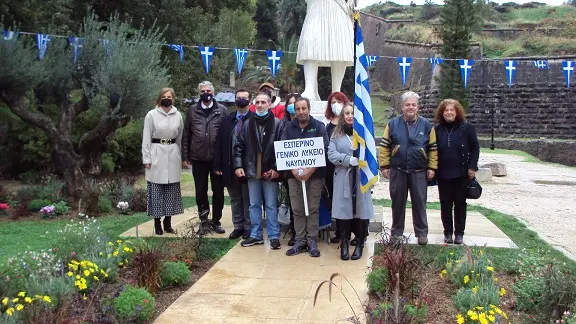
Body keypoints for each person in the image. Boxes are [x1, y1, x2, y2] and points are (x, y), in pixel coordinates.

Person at [378, 91, 438, 245]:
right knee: (397, 204)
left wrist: (432, 167)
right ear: (402, 107)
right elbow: (384, 146)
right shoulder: (392, 124)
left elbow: (433, 148)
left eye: (413, 105)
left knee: (420, 204)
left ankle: (422, 234)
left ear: (418, 107)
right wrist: (384, 166)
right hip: (398, 170)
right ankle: (396, 233)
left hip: (419, 171)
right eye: (407, 105)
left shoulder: (427, 125)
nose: (410, 107)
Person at [234, 92, 284, 249]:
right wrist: (238, 166)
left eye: (263, 102)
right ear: (254, 105)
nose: (260, 105)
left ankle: (274, 235)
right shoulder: (247, 123)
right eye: (258, 102)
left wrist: (276, 169)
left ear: (269, 104)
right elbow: (238, 146)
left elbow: (281, 148)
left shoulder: (278, 124)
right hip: (251, 170)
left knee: (271, 205)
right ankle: (255, 235)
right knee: (254, 204)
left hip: (270, 171)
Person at [282, 97, 329, 257]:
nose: (301, 112)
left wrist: (310, 170)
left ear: (308, 109)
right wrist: (294, 170)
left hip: (315, 176)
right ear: (294, 111)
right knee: (297, 209)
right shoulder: (288, 127)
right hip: (293, 176)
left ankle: (312, 241)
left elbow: (323, 150)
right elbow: (284, 151)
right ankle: (300, 241)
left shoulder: (318, 127)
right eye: (298, 109)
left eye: (304, 108)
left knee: (313, 208)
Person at [328, 103, 374, 260]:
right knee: (343, 211)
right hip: (343, 176)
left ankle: (360, 243)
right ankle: (344, 244)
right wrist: (348, 160)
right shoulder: (336, 134)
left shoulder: (365, 134)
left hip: (360, 176)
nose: (349, 116)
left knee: (361, 210)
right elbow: (332, 154)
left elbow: (372, 155)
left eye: (352, 113)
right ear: (342, 116)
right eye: (346, 113)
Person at [182, 81, 228, 235]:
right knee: (200, 192)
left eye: (208, 90)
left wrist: (225, 159)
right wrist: (186, 156)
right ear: (199, 93)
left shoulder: (222, 110)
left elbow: (226, 136)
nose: (206, 93)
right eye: (203, 91)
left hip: (217, 160)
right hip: (198, 158)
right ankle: (204, 221)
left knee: (218, 192)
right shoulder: (192, 110)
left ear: (213, 93)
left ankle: (216, 221)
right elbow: (187, 135)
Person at [434, 99, 479, 245]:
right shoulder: (437, 129)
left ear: (456, 112)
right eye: (446, 110)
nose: (449, 112)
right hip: (443, 173)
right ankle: (447, 232)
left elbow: (475, 148)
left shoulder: (467, 128)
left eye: (451, 110)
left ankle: (459, 233)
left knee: (460, 203)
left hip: (461, 173)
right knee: (445, 203)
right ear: (442, 113)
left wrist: (472, 167)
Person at [142, 88, 184, 235]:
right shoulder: (151, 115)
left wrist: (181, 156)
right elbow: (146, 138)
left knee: (171, 190)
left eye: (169, 97)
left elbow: (180, 138)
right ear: (160, 98)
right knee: (156, 190)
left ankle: (168, 223)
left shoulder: (178, 115)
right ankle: (157, 223)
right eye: (164, 96)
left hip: (172, 153)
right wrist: (146, 158)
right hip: (156, 152)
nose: (167, 99)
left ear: (173, 99)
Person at [214, 89, 254, 240]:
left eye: (244, 98)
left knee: (248, 199)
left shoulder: (254, 119)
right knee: (235, 198)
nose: (241, 100)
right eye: (238, 98)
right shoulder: (228, 120)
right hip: (230, 166)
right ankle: (238, 226)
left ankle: (249, 228)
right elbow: (219, 144)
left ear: (250, 101)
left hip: (248, 167)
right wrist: (218, 165)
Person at [297, 0, 355, 100]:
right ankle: (310, 89)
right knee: (311, 43)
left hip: (340, 7)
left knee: (339, 46)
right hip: (315, 6)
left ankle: (336, 92)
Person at [323, 92, 350, 244]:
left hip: (346, 168)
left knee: (347, 200)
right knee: (334, 200)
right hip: (329, 169)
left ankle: (350, 231)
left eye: (339, 101)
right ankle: (339, 231)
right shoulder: (325, 122)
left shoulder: (349, 121)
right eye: (333, 102)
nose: (336, 104)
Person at [282, 92, 301, 246]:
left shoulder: (308, 124)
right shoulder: (283, 125)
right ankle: (295, 232)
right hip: (289, 173)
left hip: (307, 172)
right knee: (293, 203)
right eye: (290, 103)